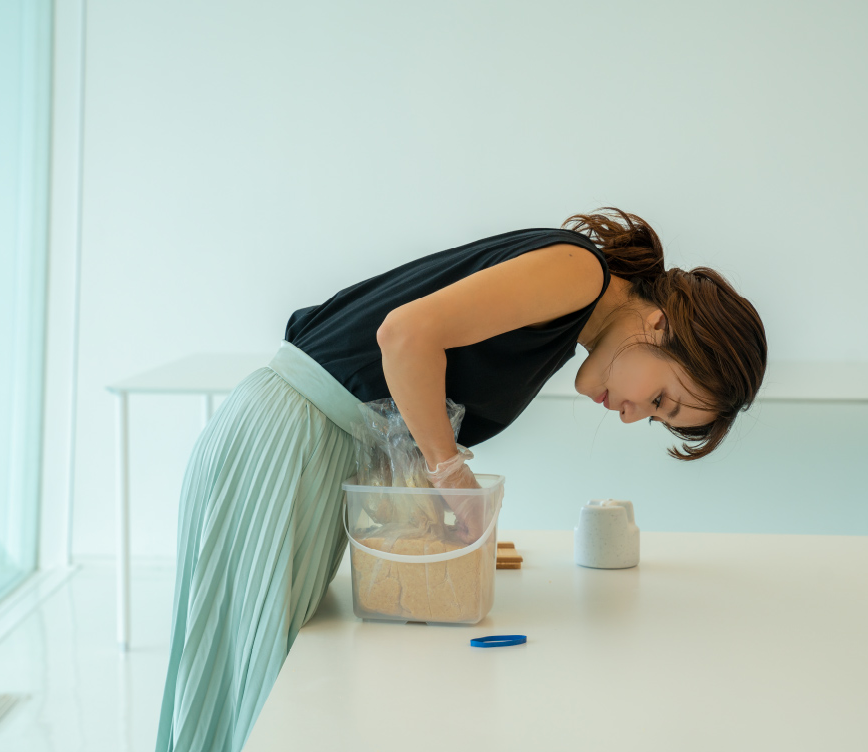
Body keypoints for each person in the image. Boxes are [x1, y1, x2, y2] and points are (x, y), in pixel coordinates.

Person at [153, 207, 767, 751]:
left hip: (306, 442)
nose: (633, 416)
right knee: (252, 692)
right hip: (291, 438)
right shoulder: (580, 273)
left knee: (250, 680)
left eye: (656, 417)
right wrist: (450, 473)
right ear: (659, 326)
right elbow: (404, 335)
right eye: (660, 399)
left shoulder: (567, 320)